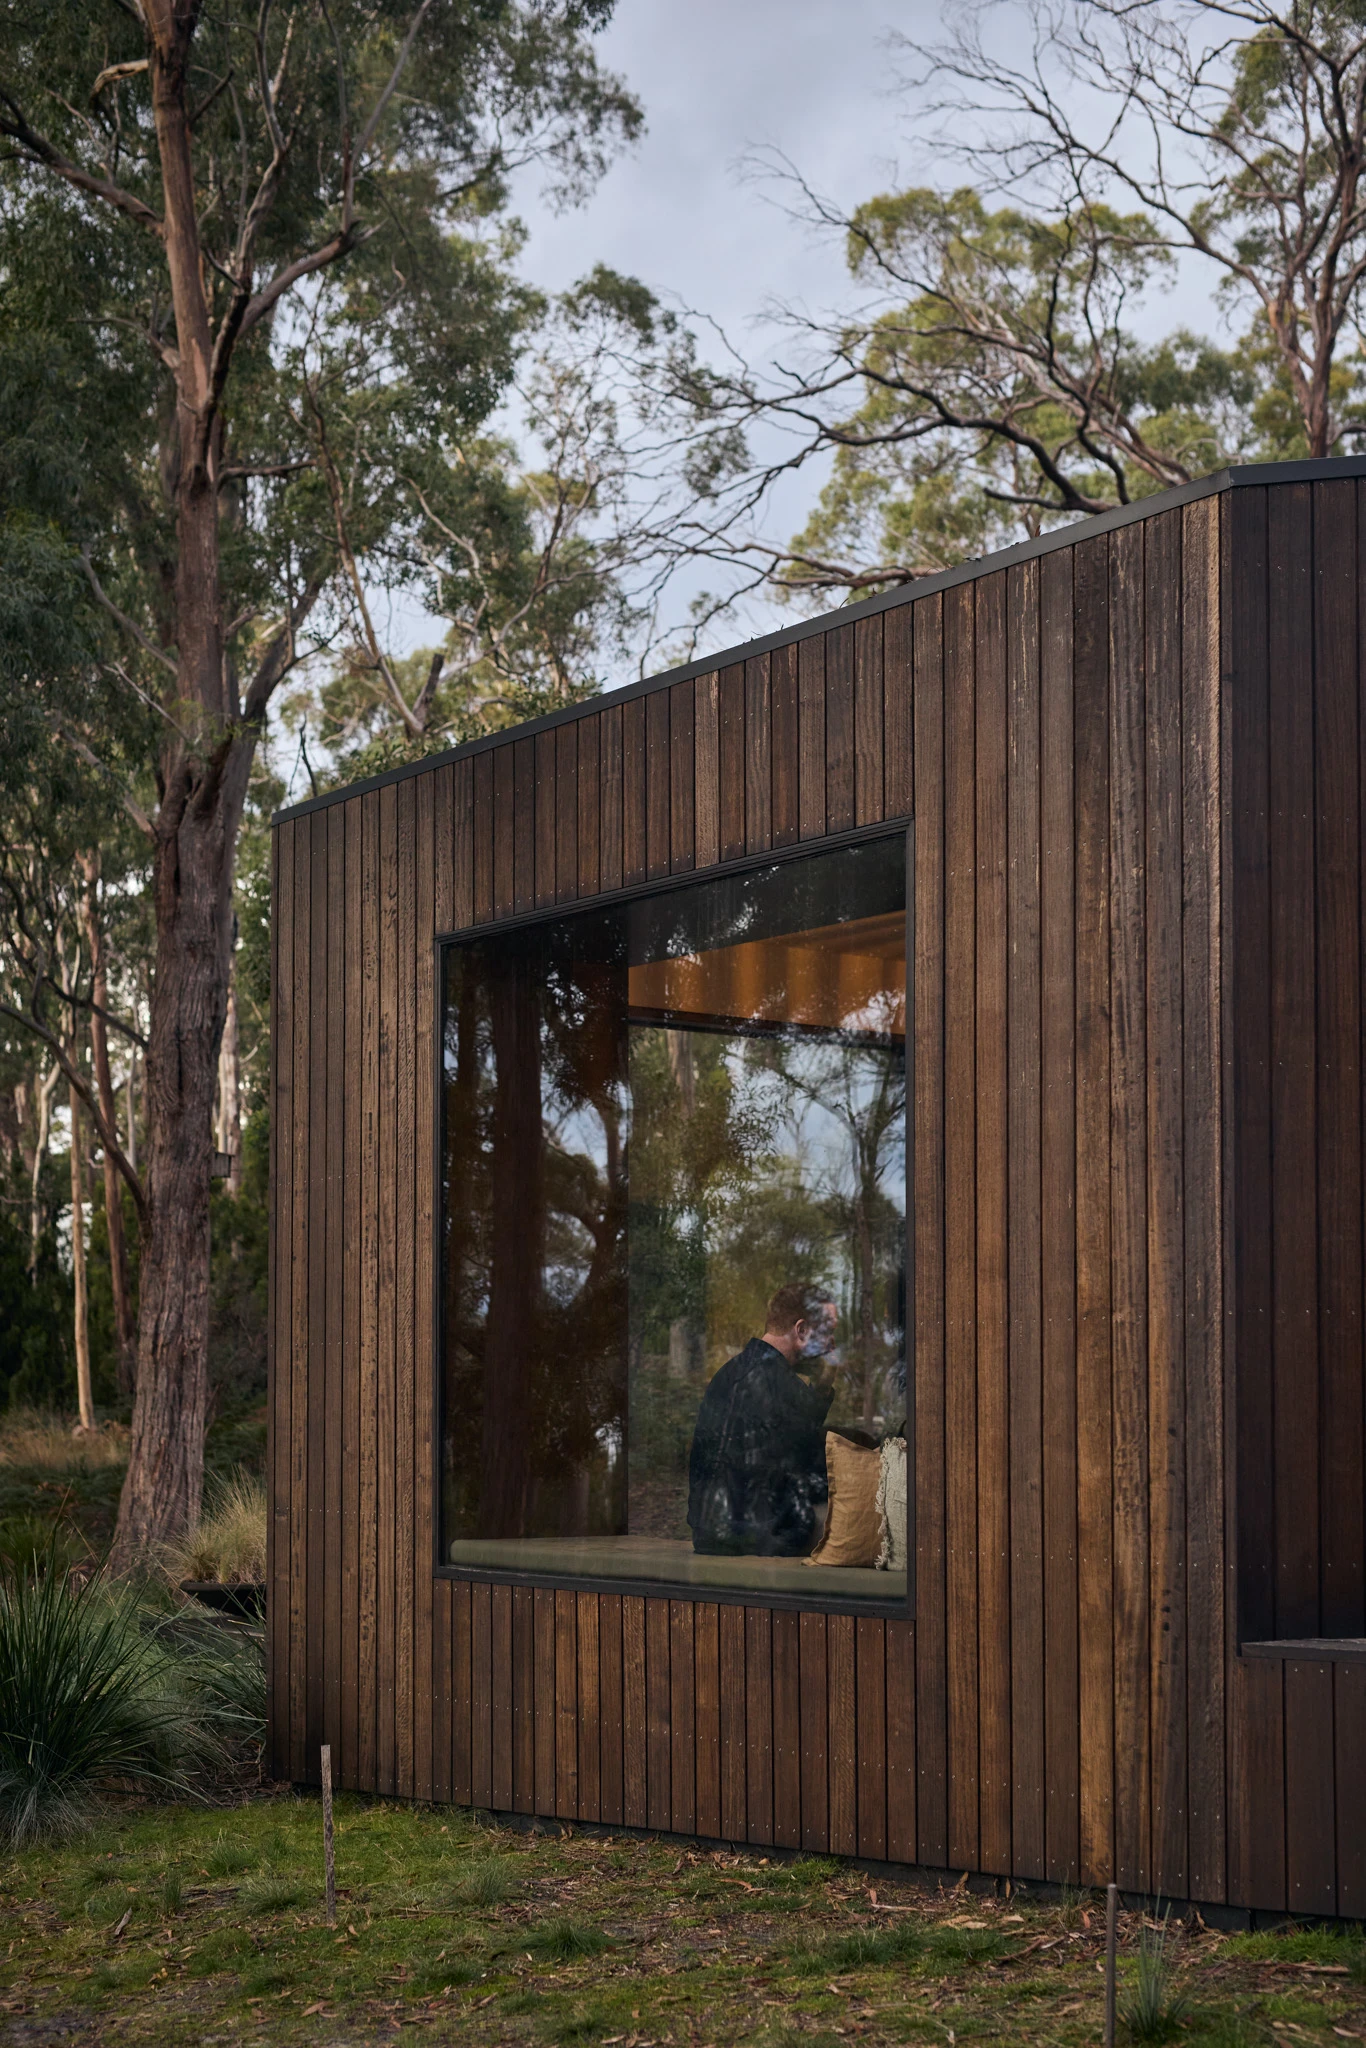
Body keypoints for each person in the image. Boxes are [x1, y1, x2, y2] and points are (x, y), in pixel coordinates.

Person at [687, 1283, 839, 1556]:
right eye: (828, 1331)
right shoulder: (776, 1383)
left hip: (711, 1532)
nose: (833, 1344)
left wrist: (822, 1389)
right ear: (801, 1331)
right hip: (757, 1539)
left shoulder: (733, 1371)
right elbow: (798, 1466)